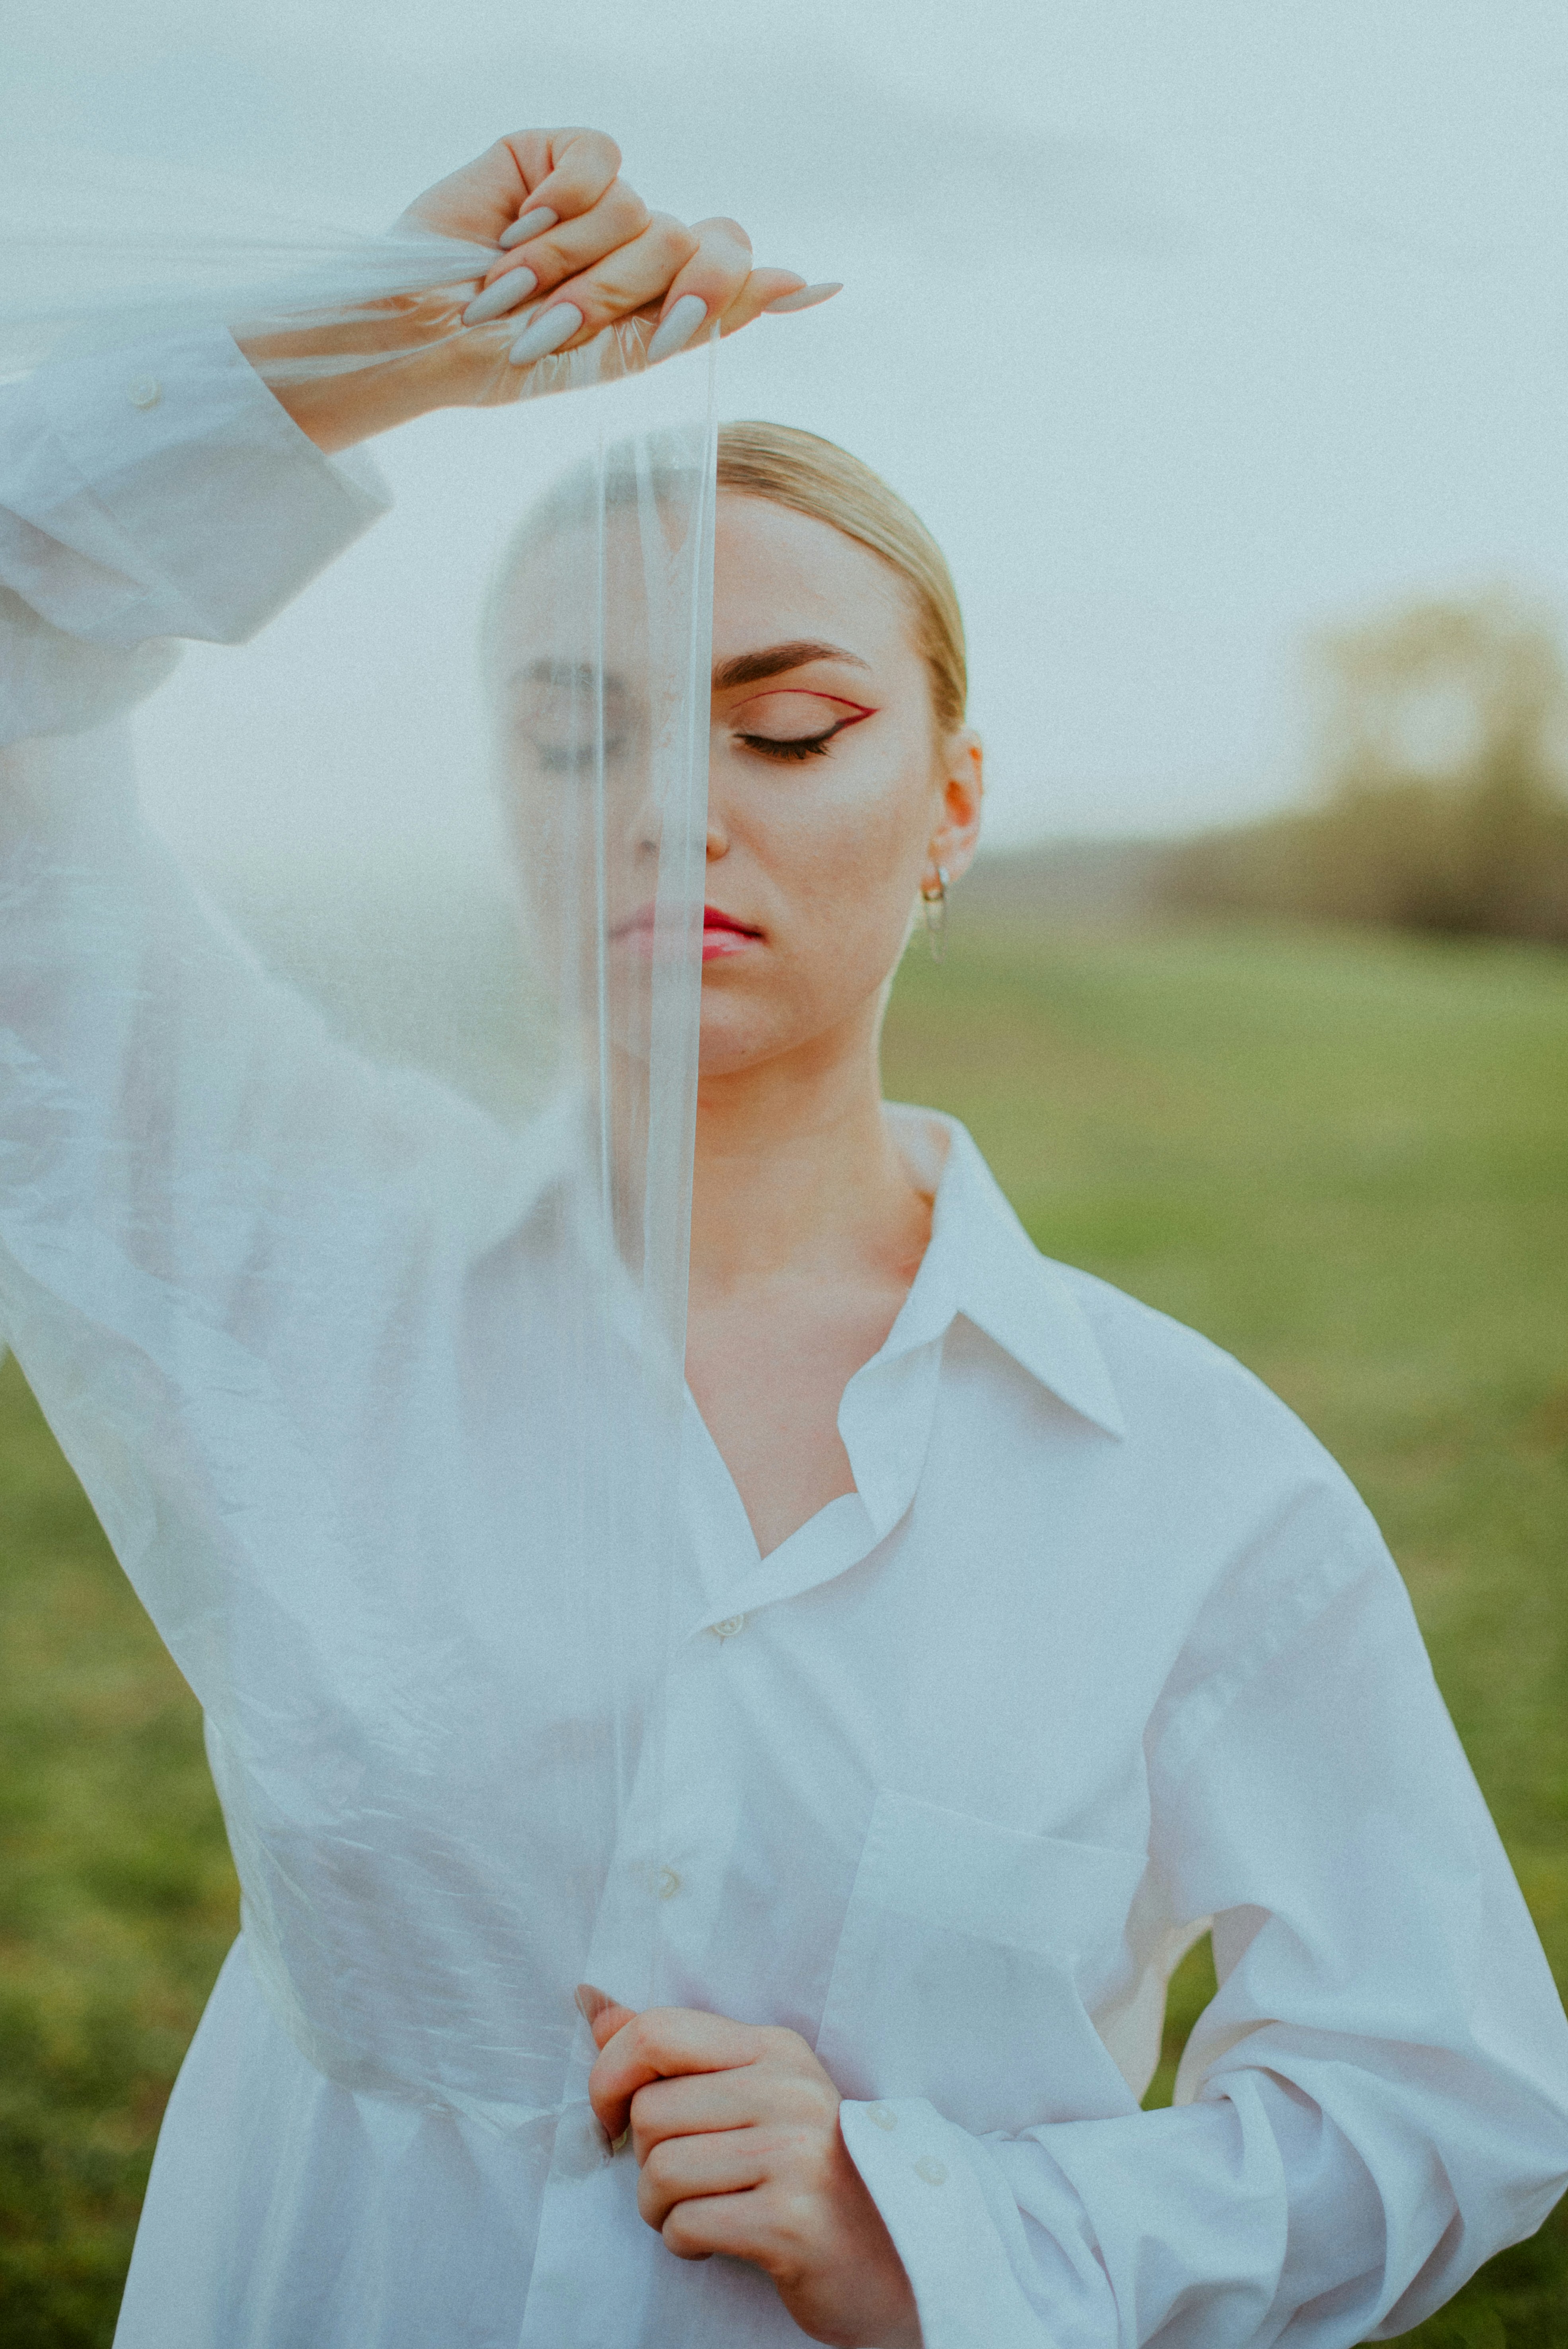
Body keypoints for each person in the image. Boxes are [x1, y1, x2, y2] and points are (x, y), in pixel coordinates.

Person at [2, 125, 1566, 2349]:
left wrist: (945, 2233)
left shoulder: (1188, 1487)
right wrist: (367, 346)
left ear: (948, 801)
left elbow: (1446, 2100)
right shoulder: (291, 1242)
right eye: (578, 731)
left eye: (788, 723)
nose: (668, 802)